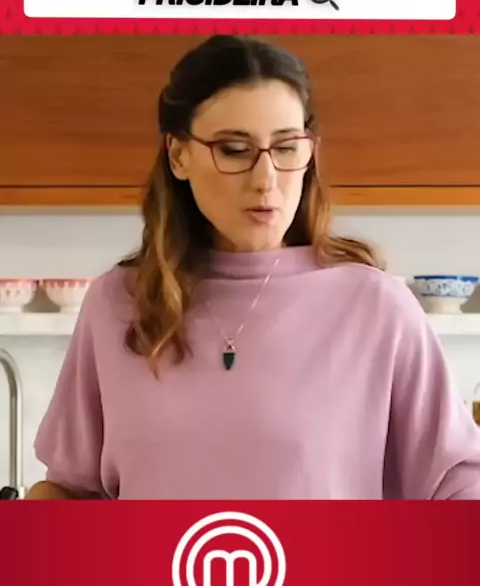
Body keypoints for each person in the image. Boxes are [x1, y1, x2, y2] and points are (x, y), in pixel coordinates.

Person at [27, 35, 480, 500]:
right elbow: (68, 491)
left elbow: (457, 484)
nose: (266, 180)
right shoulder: (117, 303)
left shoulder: (376, 307)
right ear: (179, 155)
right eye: (234, 150)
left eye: (286, 148)